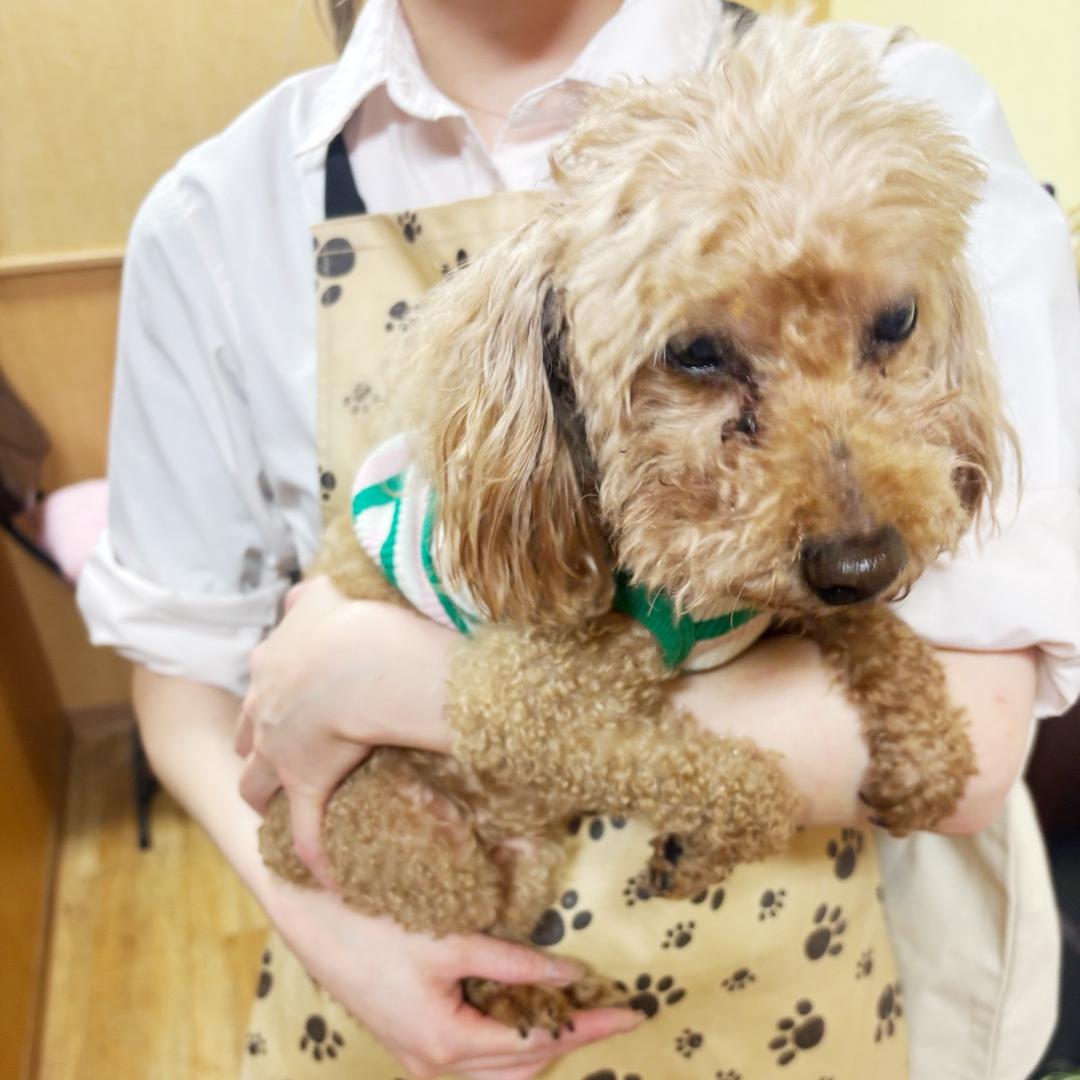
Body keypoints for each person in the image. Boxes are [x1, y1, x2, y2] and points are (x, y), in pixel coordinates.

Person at [77, 1, 1080, 1077]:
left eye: (889, 330)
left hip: (839, 987)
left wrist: (379, 677)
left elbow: (972, 742)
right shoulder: (217, 217)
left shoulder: (899, 115)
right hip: (396, 991)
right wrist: (324, 923)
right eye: (699, 356)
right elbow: (180, 681)